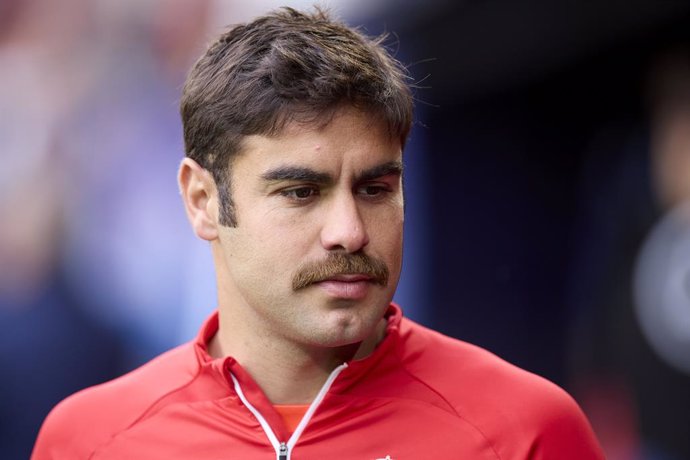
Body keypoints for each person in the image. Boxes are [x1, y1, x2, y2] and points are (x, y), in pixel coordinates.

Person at [32, 7, 604, 459]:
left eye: (376, 189)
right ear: (202, 201)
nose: (350, 232)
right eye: (301, 193)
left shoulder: (525, 430)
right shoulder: (90, 442)